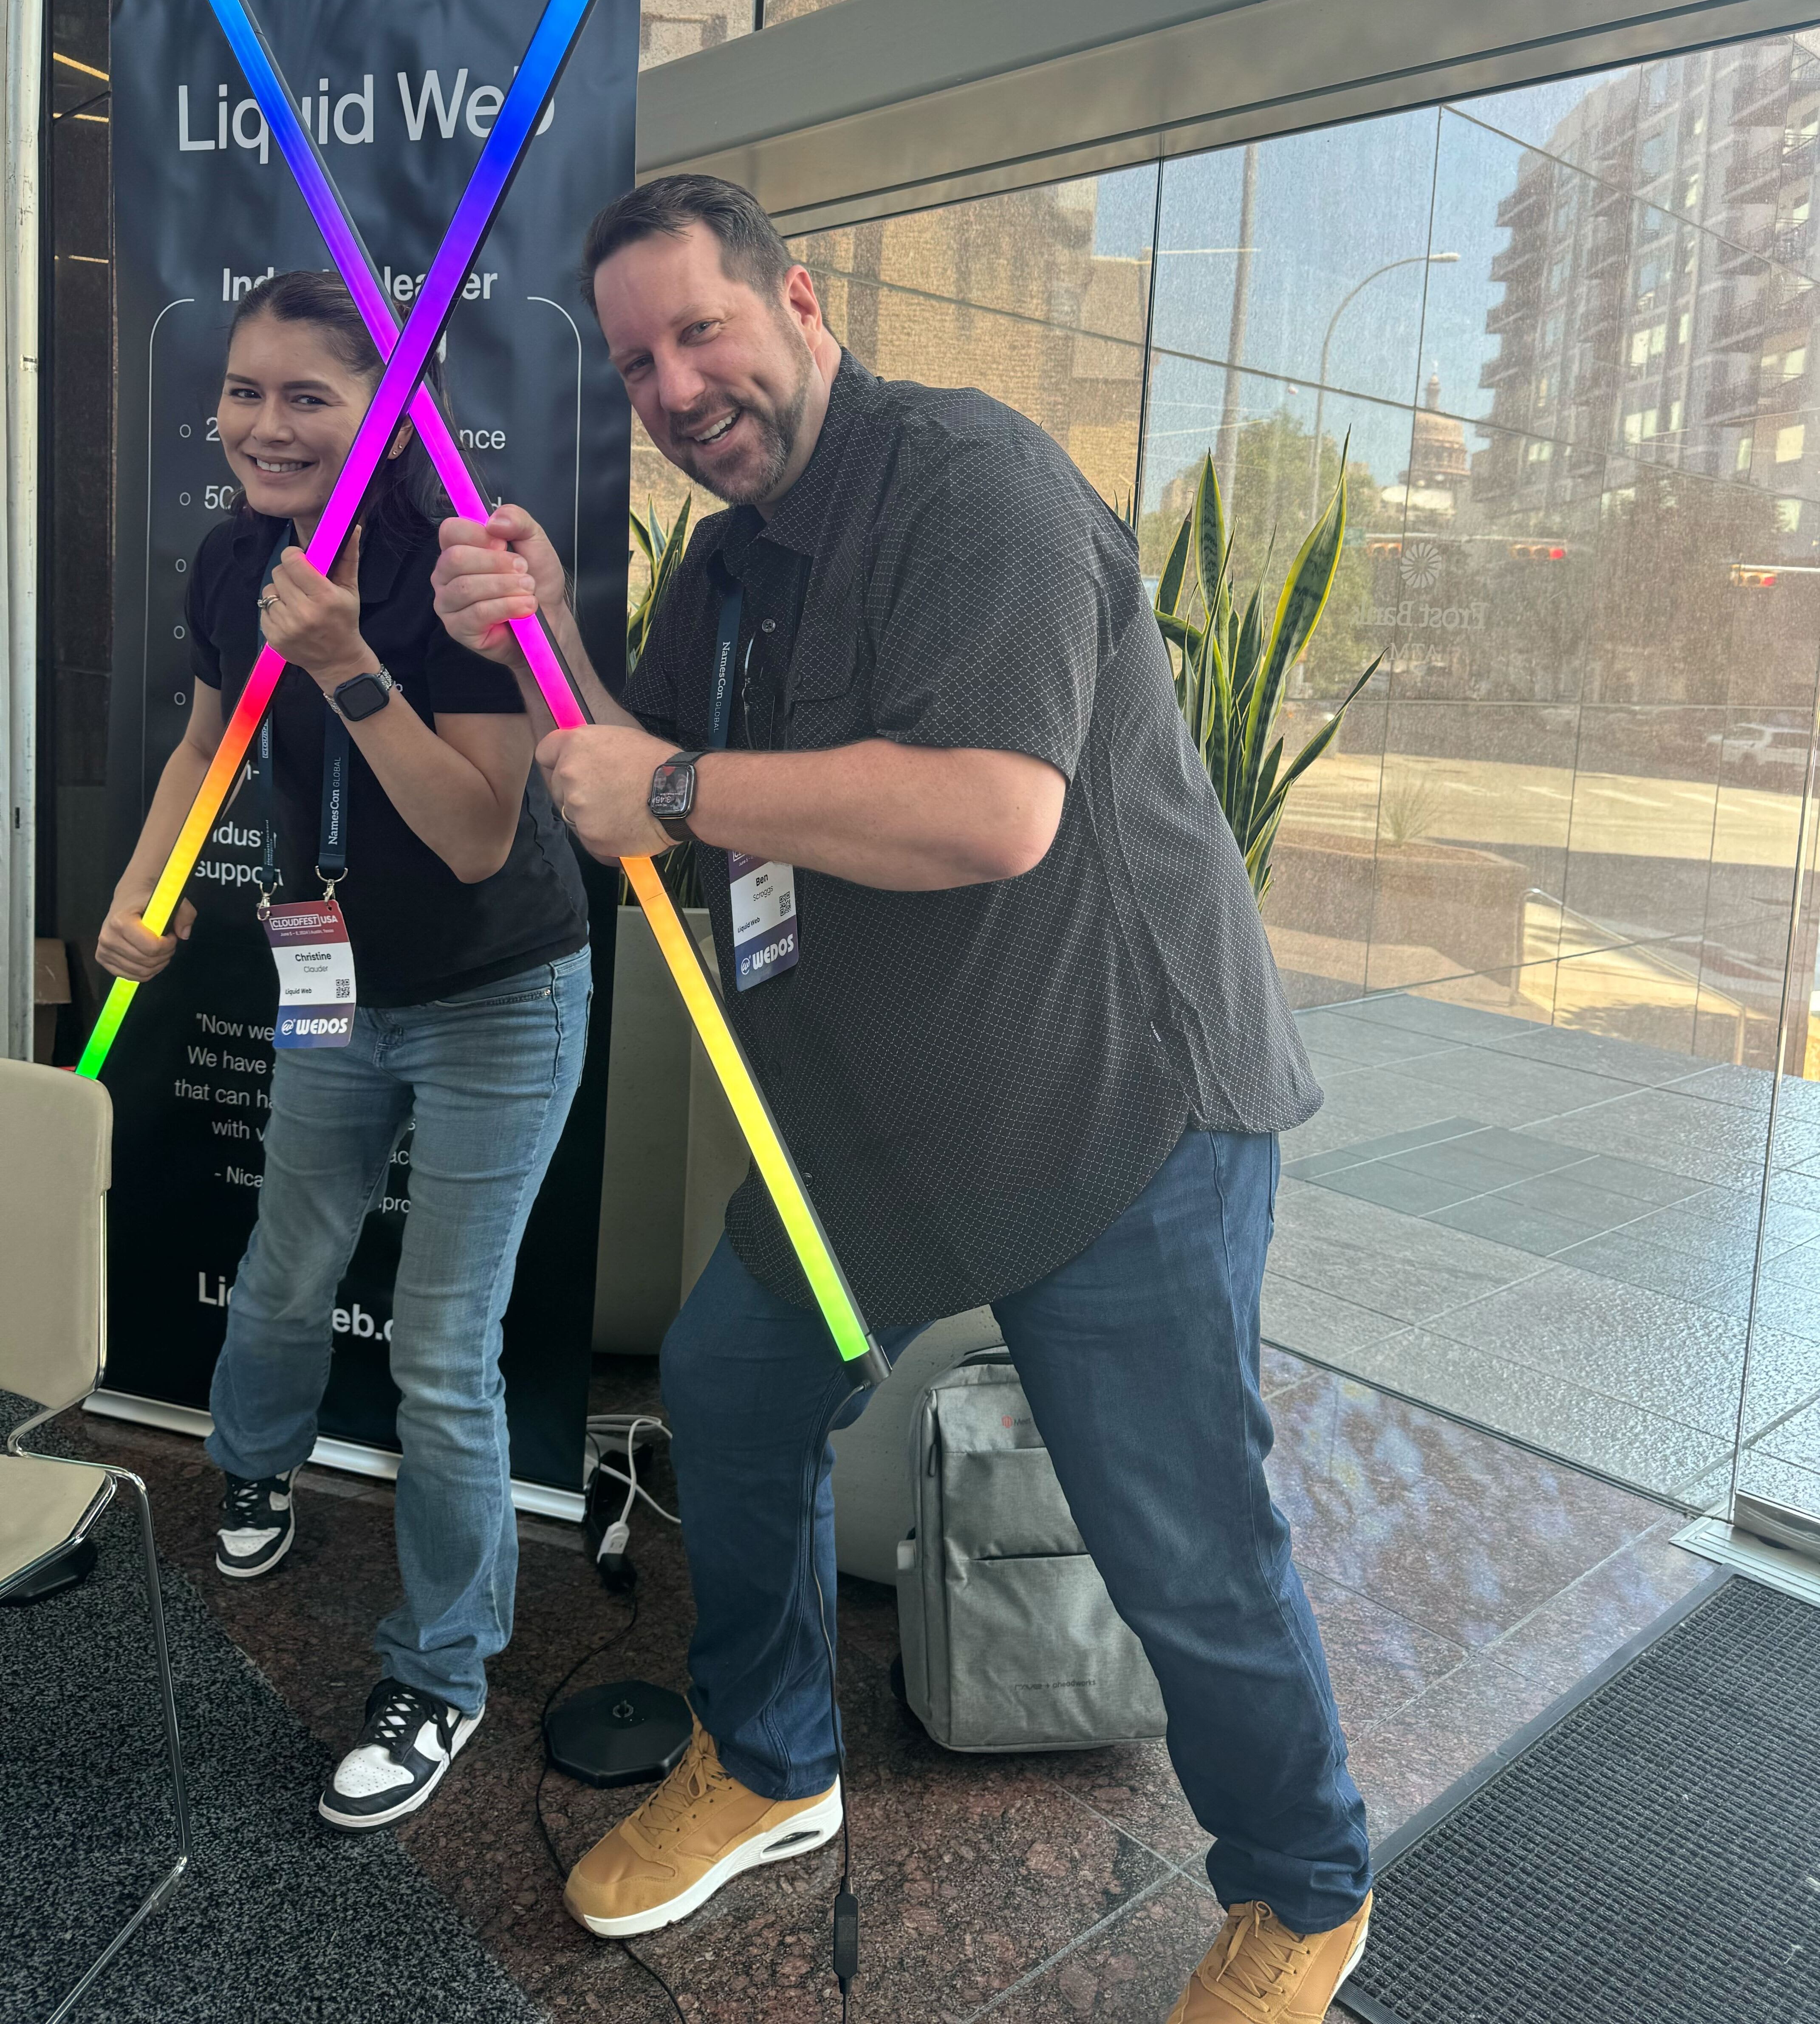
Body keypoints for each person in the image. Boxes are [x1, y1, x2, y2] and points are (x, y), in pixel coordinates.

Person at [432, 178, 1373, 2022]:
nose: (678, 384)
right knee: (727, 1381)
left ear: (796, 297)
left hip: (1115, 1112)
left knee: (1177, 1533)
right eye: (637, 363)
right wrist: (552, 636)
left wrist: (680, 790)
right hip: (871, 1133)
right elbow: (650, 758)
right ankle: (776, 1760)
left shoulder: (975, 487)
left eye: (702, 330)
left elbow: (990, 811)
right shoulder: (718, 572)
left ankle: (1307, 1885)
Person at [97, 271, 591, 1831]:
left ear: (388, 410)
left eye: (307, 395)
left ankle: (441, 1675)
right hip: (328, 975)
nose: (261, 426)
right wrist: (141, 887)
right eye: (243, 393)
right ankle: (253, 1467)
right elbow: (201, 741)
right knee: (285, 1263)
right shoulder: (235, 555)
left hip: (494, 990)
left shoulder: (460, 571)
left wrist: (344, 666)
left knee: (445, 1353)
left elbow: (472, 832)